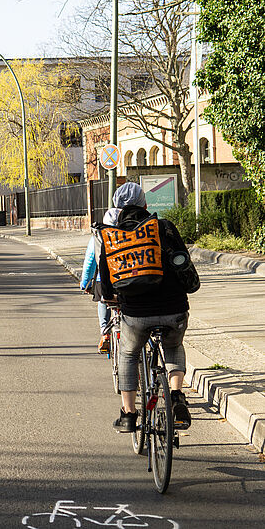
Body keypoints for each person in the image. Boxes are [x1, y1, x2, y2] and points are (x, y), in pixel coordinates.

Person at [98, 182, 192, 433]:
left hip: (135, 313)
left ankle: (129, 415)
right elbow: (183, 261)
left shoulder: (113, 235)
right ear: (145, 205)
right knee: (173, 346)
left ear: (117, 209)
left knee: (128, 354)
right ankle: (175, 396)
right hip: (174, 309)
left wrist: (109, 298)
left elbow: (106, 277)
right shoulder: (163, 227)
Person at [81, 207, 121, 353]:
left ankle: (105, 333)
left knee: (103, 298)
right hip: (126, 277)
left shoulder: (98, 236)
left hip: (103, 279)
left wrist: (85, 283)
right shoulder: (128, 234)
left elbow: (90, 261)